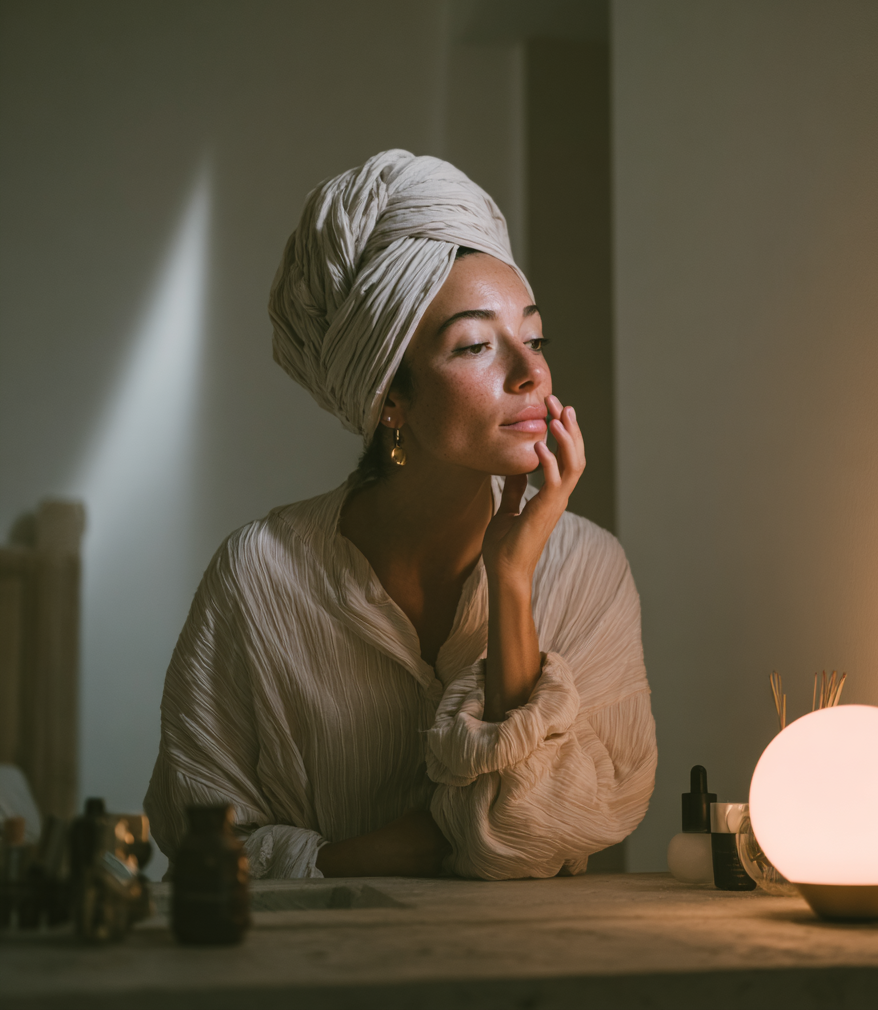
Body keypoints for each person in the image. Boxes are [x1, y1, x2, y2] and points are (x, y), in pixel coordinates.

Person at [144, 150, 657, 880]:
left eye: (534, 337)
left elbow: (539, 836)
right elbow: (199, 842)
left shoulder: (590, 570)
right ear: (391, 398)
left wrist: (512, 581)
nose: (531, 372)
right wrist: (379, 855)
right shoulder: (258, 576)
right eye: (477, 345)